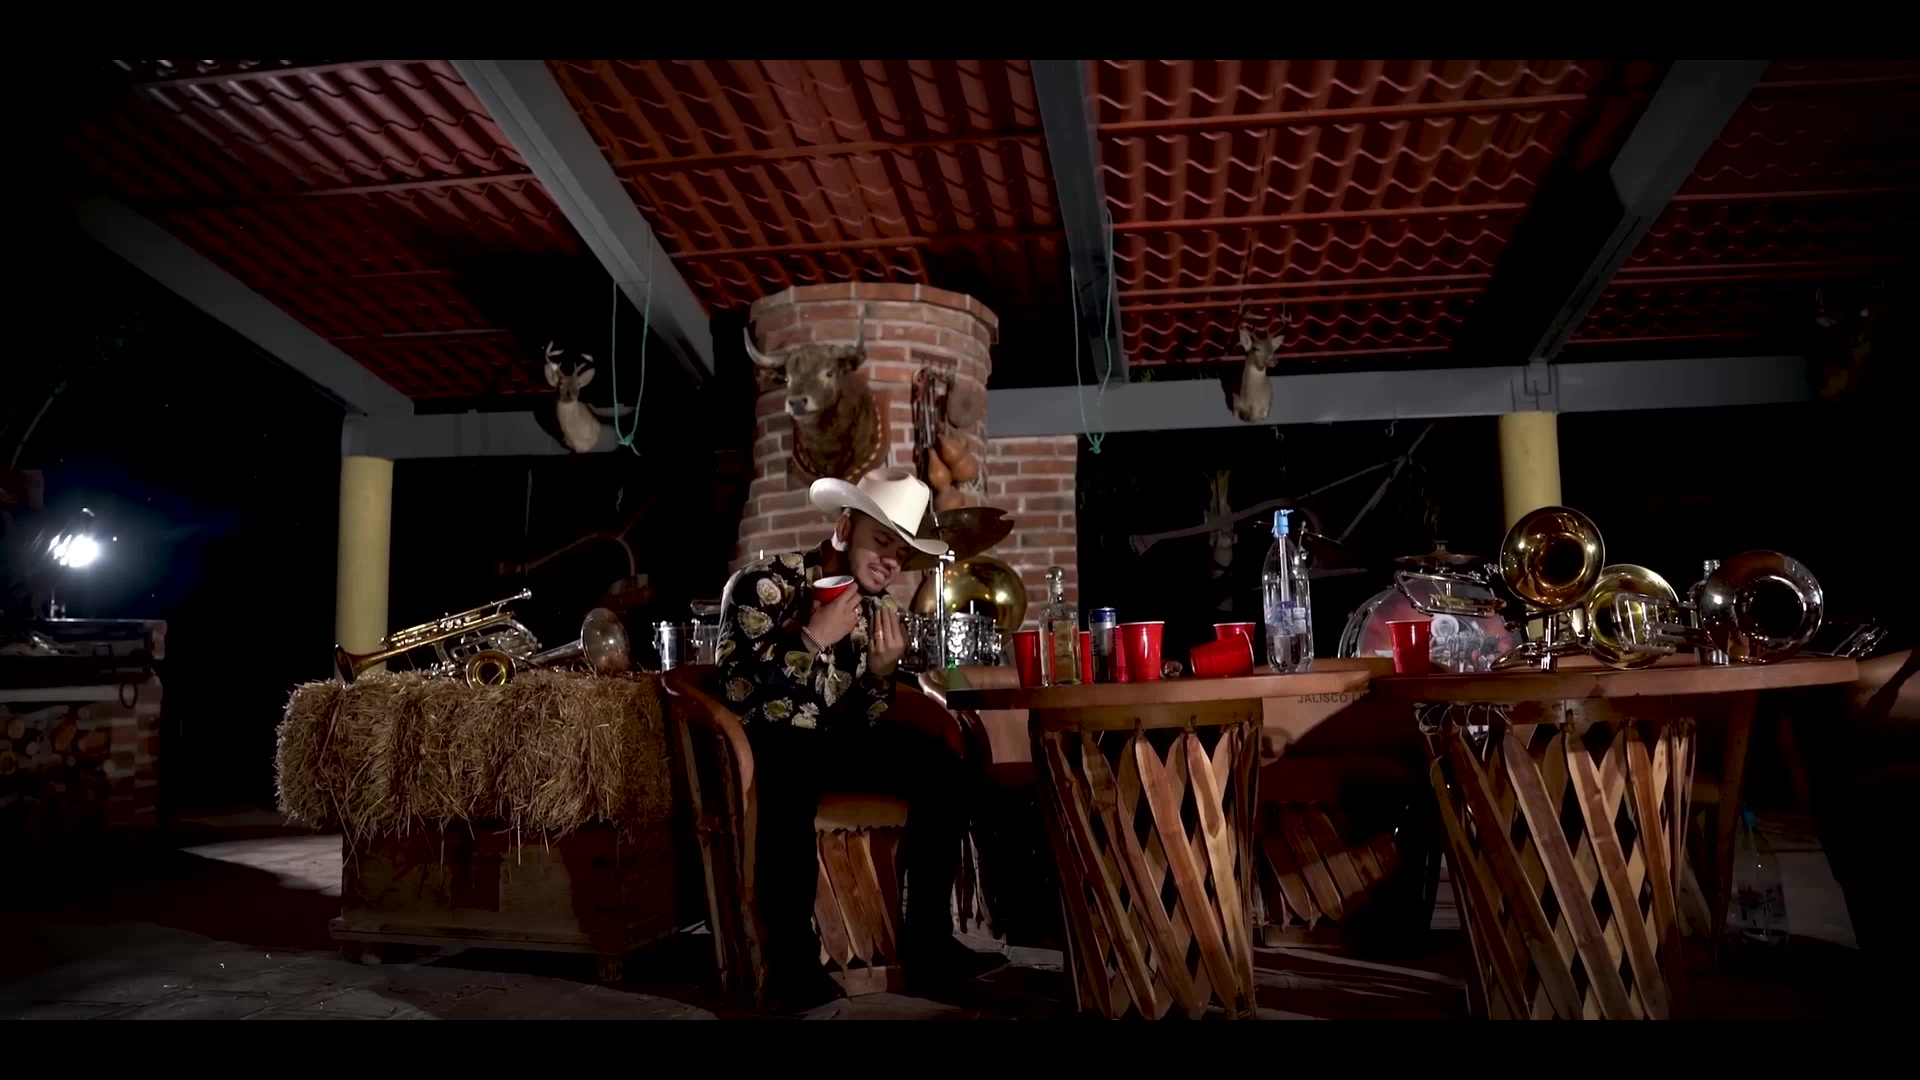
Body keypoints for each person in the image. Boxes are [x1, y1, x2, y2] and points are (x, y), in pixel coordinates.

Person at [715, 467, 992, 1008]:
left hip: (829, 743)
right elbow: (734, 690)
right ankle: (791, 966)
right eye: (882, 542)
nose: (891, 562)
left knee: (943, 768)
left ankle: (929, 947)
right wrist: (812, 638)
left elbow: (862, 719)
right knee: (790, 763)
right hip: (762, 744)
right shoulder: (764, 584)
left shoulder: (877, 609)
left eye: (902, 554)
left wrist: (880, 676)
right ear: (845, 527)